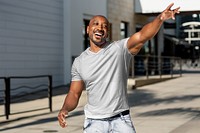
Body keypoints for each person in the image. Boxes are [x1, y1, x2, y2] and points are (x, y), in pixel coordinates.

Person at [58, 3, 180, 133]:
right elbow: (74, 93)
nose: (100, 27)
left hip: (121, 120)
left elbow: (142, 35)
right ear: (88, 29)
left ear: (107, 32)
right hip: (94, 122)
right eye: (96, 24)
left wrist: (160, 18)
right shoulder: (79, 62)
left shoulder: (119, 49)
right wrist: (65, 109)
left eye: (104, 26)